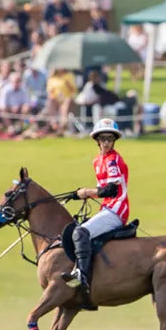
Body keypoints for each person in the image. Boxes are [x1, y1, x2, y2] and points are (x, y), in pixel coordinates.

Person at [64, 118, 131, 293]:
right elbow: (101, 189)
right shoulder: (97, 161)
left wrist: (86, 192)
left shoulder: (112, 160)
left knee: (81, 232)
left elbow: (110, 190)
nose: (107, 142)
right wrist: (79, 194)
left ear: (114, 140)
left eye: (110, 139)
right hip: (107, 208)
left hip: (117, 209)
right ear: (97, 140)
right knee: (78, 227)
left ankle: (82, 277)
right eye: (103, 139)